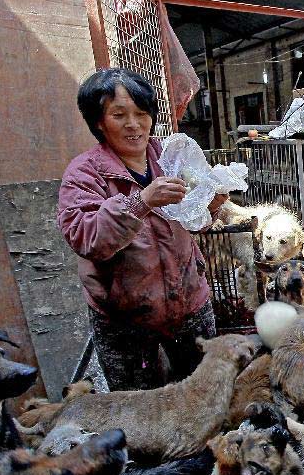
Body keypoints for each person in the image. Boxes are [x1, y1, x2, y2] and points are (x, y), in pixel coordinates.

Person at [58, 68, 228, 391]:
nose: (134, 124)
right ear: (98, 121)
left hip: (189, 304)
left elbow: (194, 220)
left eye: (141, 112)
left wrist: (213, 202)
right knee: (141, 409)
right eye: (119, 115)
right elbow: (86, 237)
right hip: (126, 322)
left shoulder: (170, 156)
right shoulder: (83, 174)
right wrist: (141, 202)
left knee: (206, 394)